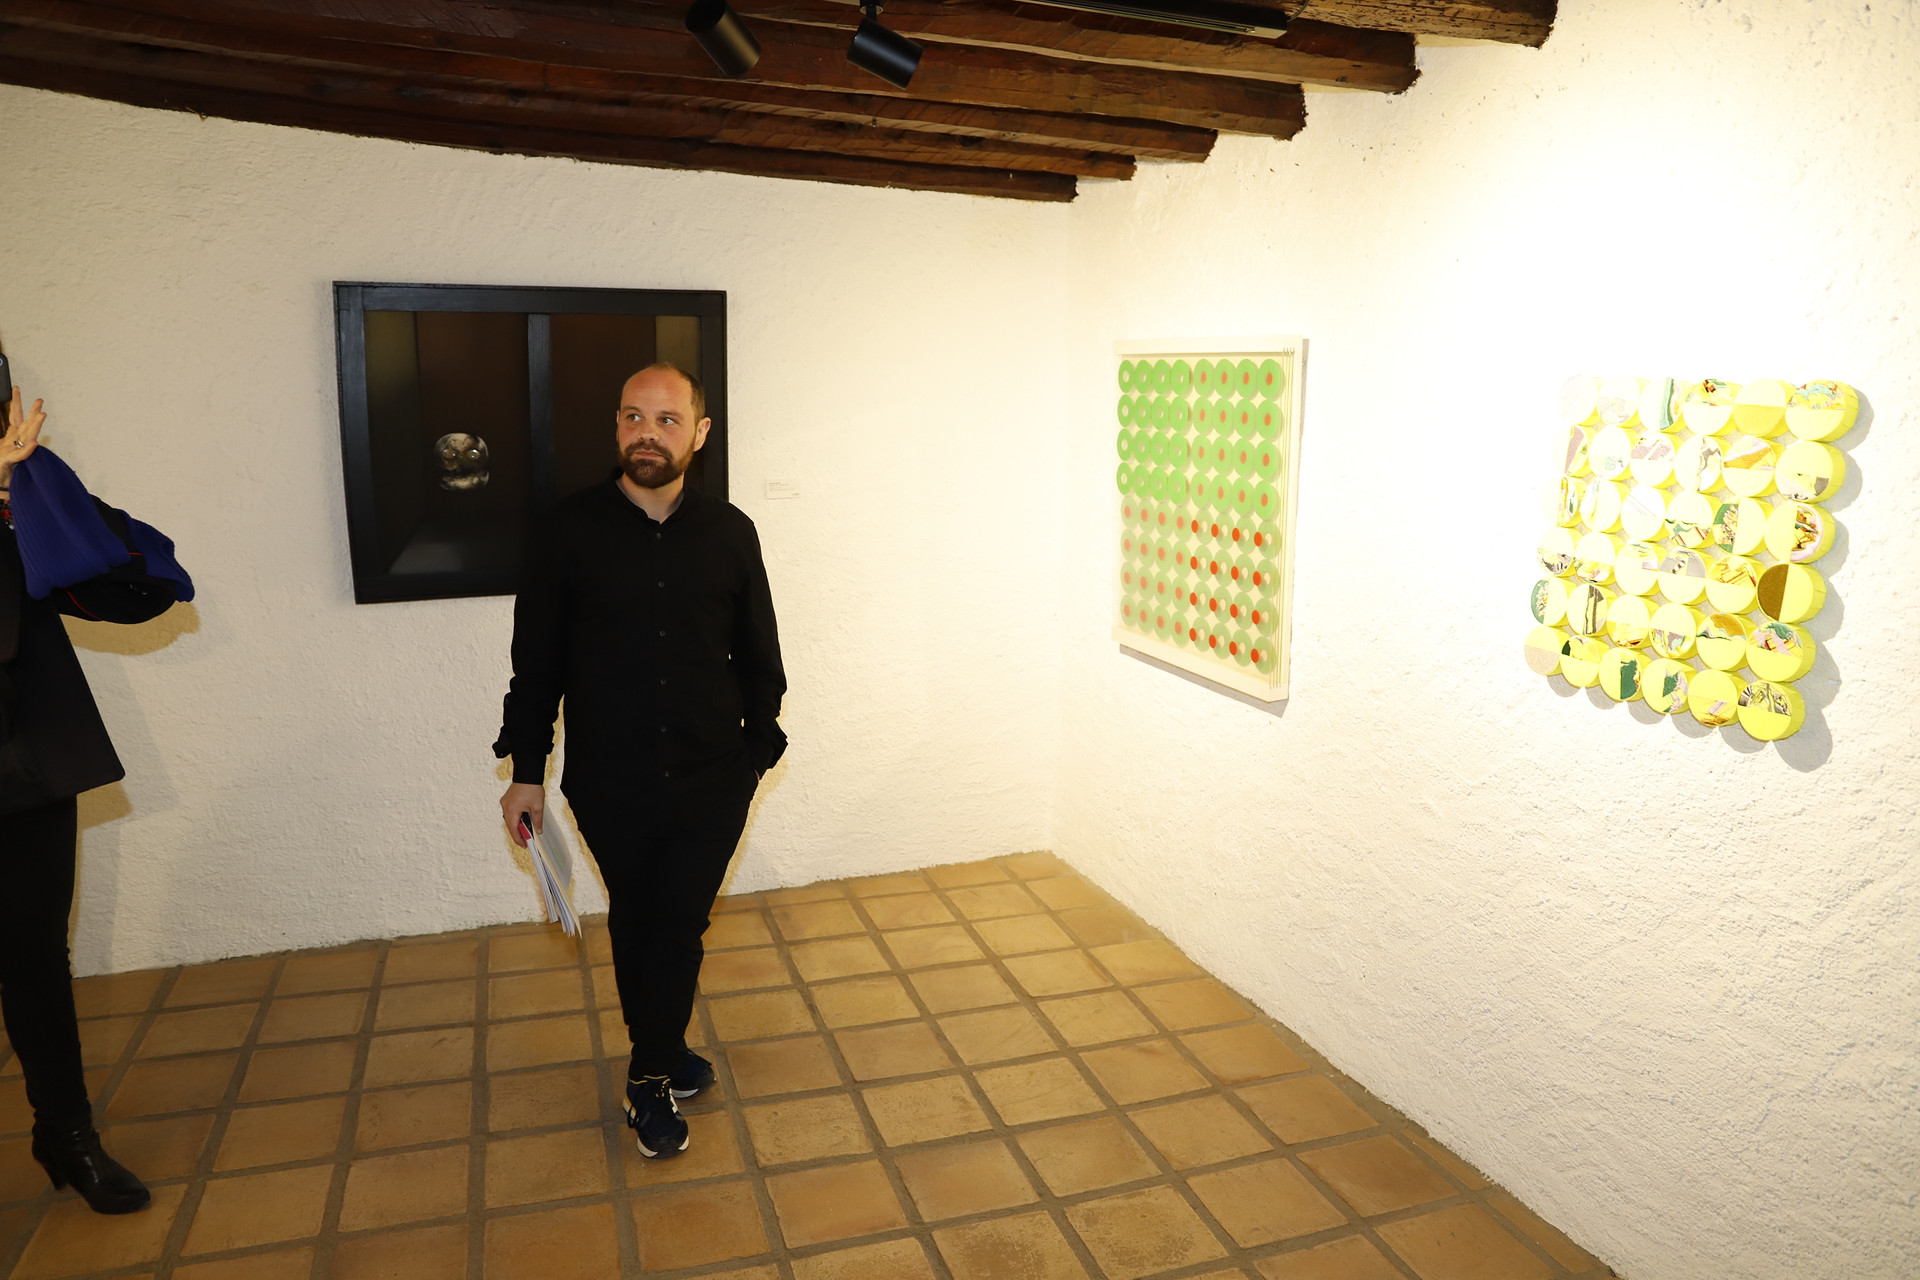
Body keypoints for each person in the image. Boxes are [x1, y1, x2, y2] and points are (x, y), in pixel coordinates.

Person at [495, 363, 785, 1158]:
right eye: (632, 417)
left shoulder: (730, 532)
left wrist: (757, 750)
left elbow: (761, 657)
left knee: (679, 920)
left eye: (666, 419)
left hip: (714, 774)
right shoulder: (564, 532)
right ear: (616, 426)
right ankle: (658, 1063)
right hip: (610, 777)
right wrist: (527, 773)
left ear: (699, 433)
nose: (646, 434)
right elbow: (536, 668)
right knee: (640, 914)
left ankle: (652, 1067)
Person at [2, 383, 192, 1214]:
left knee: (34, 956)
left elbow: (147, 591)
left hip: (22, 760)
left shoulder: (19, 498)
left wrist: (27, 499)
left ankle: (66, 1133)